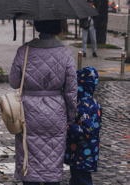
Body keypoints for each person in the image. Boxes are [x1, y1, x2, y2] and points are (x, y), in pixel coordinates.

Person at [9, 19, 78, 185]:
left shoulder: (24, 50)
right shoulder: (65, 53)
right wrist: (70, 117)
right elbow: (70, 91)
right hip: (56, 114)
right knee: (52, 161)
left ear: (37, 25)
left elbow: (14, 82)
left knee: (28, 159)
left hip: (28, 114)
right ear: (58, 28)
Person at [65, 67, 102, 185]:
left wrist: (68, 128)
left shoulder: (82, 106)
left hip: (81, 156)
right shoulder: (94, 103)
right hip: (89, 153)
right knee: (77, 180)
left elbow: (87, 131)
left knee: (81, 180)